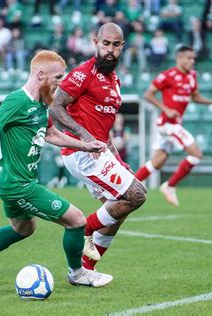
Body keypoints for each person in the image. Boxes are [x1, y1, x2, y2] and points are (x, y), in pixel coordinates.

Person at [0, 50, 113, 288]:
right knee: (77, 221)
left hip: (12, 181)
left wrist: (85, 146)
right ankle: (78, 274)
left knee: (23, 229)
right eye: (57, 77)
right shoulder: (18, 101)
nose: (61, 82)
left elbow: (51, 134)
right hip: (18, 184)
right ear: (40, 74)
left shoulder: (41, 103)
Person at [49, 23, 147, 272]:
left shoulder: (114, 81)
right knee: (137, 195)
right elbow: (55, 107)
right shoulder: (84, 73)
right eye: (106, 44)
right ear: (96, 43)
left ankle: (84, 270)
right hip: (82, 153)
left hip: (100, 153)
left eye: (116, 45)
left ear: (122, 46)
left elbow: (104, 128)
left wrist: (117, 158)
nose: (110, 50)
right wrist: (84, 137)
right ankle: (83, 230)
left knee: (119, 209)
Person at [134, 45, 212, 206]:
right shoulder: (167, 76)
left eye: (193, 58)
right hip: (168, 124)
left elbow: (195, 97)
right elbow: (148, 94)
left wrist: (211, 101)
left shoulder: (192, 76)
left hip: (172, 124)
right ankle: (170, 185)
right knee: (197, 154)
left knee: (157, 162)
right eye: (189, 58)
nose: (192, 61)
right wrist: (166, 109)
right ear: (179, 58)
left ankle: (127, 187)